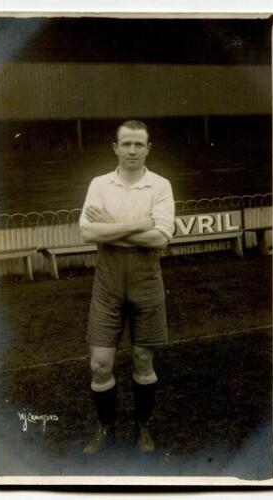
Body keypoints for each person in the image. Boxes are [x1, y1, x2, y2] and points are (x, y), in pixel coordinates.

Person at [79, 120, 175, 454]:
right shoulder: (99, 184)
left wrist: (109, 226)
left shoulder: (160, 185)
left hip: (146, 280)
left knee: (142, 361)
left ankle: (142, 427)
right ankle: (106, 429)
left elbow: (160, 237)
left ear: (148, 148)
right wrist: (136, 225)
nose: (132, 150)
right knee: (99, 364)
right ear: (115, 147)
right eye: (126, 144)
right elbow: (88, 233)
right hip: (107, 281)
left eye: (139, 144)